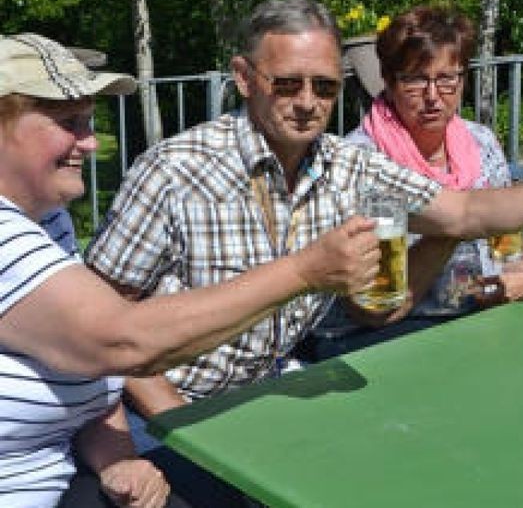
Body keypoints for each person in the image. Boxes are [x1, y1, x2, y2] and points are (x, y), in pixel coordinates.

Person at [84, 0, 523, 499]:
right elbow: (95, 329)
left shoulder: (347, 166)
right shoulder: (175, 171)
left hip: (265, 398)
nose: (308, 102)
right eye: (287, 84)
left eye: (325, 86)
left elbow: (464, 211)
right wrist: (179, 428)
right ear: (244, 78)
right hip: (161, 414)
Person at [0, 33, 383, 507]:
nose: (91, 141)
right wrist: (305, 271)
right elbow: (122, 340)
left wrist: (116, 458)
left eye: (88, 121)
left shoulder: (47, 218)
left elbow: (93, 380)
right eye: (68, 123)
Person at [308, 5, 523, 357]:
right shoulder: (362, 160)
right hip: (377, 342)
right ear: (387, 80)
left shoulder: (481, 142)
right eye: (415, 79)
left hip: (474, 319)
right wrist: (455, 222)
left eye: (447, 78)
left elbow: (514, 247)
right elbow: (372, 311)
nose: (433, 95)